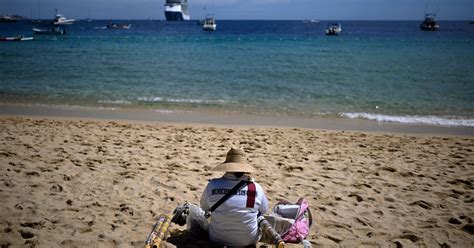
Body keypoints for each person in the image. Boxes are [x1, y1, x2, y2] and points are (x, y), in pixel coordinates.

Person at [200, 147, 269, 247]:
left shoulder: (213, 184)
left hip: (217, 238)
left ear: (227, 167)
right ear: (244, 169)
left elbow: (204, 207)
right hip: (248, 241)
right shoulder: (255, 187)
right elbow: (264, 209)